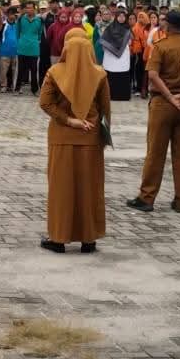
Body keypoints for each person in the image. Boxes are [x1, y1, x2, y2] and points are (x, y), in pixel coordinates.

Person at [126, 10, 180, 214]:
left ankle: (147, 197)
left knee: (155, 152)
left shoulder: (161, 47)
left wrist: (169, 96)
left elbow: (153, 75)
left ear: (168, 26)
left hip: (164, 104)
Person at [38, 28, 110, 253]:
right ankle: (89, 239)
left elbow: (45, 103)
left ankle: (58, 238)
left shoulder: (54, 72)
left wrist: (69, 120)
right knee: (90, 188)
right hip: (90, 138)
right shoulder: (100, 75)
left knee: (61, 189)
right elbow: (106, 109)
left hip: (61, 137)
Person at [99, 8, 133, 101]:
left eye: (123, 16)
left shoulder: (127, 28)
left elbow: (130, 41)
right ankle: (110, 95)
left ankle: (123, 96)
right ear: (116, 17)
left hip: (123, 55)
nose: (121, 18)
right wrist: (111, 47)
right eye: (119, 16)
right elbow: (104, 40)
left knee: (123, 74)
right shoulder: (110, 28)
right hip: (110, 56)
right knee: (111, 74)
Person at [17, 2, 44, 95]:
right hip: (22, 48)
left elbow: (40, 33)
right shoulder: (21, 19)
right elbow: (17, 32)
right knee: (20, 69)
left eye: (31, 8)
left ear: (34, 9)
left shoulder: (39, 20)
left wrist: (36, 41)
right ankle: (17, 88)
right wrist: (19, 42)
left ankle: (34, 90)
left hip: (34, 49)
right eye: (27, 8)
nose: (29, 10)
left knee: (34, 70)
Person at [0, 7, 19, 92]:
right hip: (4, 51)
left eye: (14, 14)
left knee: (15, 70)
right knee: (3, 70)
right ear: (7, 15)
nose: (12, 16)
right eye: (11, 14)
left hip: (16, 51)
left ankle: (14, 86)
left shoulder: (18, 25)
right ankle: (3, 86)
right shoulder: (2, 25)